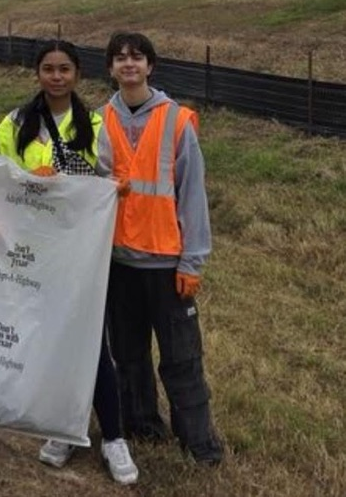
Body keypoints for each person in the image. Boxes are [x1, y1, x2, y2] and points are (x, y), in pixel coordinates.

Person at [0, 40, 139, 486]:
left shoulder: (97, 124)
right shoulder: (14, 124)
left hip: (83, 249)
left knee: (93, 343)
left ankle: (113, 437)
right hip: (36, 249)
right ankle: (64, 426)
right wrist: (25, 180)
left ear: (77, 74)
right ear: (37, 73)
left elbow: (108, 178)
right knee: (54, 340)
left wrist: (117, 188)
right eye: (48, 69)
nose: (56, 77)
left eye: (65, 69)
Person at [99, 31, 224, 466]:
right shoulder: (103, 121)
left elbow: (192, 196)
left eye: (137, 58)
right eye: (120, 58)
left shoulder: (176, 120)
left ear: (150, 66)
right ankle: (143, 427)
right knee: (129, 355)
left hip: (166, 263)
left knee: (181, 360)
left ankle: (199, 444)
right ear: (111, 69)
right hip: (119, 263)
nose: (128, 65)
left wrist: (192, 260)